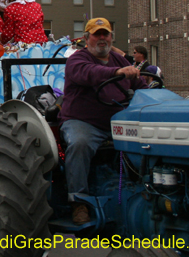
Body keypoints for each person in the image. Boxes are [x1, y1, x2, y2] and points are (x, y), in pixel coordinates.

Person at [59, 18, 148, 225]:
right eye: (96, 34)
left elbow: (141, 86)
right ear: (86, 38)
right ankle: (79, 201)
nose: (101, 38)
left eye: (105, 34)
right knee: (79, 144)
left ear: (111, 37)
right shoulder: (77, 60)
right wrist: (117, 73)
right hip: (83, 121)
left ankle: (145, 190)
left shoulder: (120, 61)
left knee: (148, 141)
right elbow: (89, 73)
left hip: (117, 122)